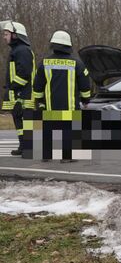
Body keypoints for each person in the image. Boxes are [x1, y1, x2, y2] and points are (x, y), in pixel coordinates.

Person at [31, 30, 91, 162]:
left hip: (50, 105)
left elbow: (37, 85)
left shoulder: (45, 63)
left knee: (48, 129)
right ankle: (66, 157)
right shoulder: (77, 63)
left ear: (53, 44)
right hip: (70, 106)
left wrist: (39, 101)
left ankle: (46, 156)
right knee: (68, 130)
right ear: (69, 45)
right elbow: (85, 85)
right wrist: (86, 100)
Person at [2, 21, 35, 157]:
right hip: (19, 93)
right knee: (18, 119)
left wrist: (14, 88)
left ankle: (28, 147)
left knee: (25, 120)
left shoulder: (22, 51)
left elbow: (24, 73)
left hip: (23, 94)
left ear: (15, 35)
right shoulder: (17, 50)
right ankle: (23, 146)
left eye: (6, 34)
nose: (4, 37)